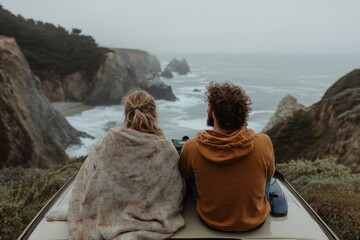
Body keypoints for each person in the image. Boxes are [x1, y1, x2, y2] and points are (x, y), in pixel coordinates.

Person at [67, 90, 185, 239]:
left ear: (126, 114)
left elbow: (88, 178)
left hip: (108, 218)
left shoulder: (108, 142)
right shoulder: (165, 149)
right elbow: (177, 190)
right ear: (154, 114)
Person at [179, 82, 275, 232]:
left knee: (190, 177)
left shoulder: (191, 147)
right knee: (268, 175)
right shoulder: (263, 142)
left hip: (212, 221)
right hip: (255, 221)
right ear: (243, 113)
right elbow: (269, 174)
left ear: (213, 113)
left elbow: (184, 174)